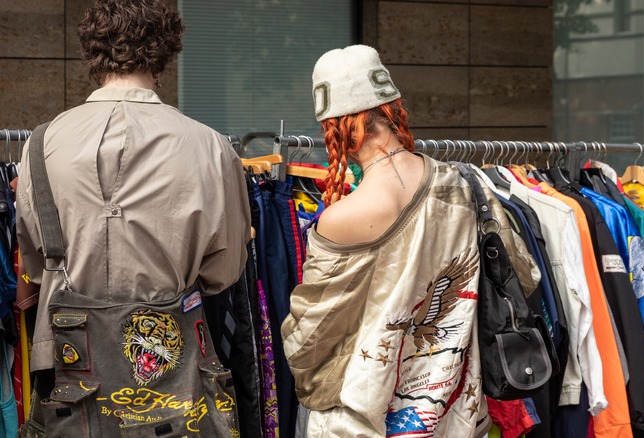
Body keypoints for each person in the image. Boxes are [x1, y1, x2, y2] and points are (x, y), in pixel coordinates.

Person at [15, 0, 251, 434]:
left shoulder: (41, 143)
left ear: (92, 52)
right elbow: (223, 272)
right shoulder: (211, 147)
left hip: (70, 371)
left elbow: (35, 261)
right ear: (164, 53)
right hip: (173, 375)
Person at [282, 45, 540, 437]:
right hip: (453, 417)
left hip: (361, 422)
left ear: (339, 128)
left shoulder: (342, 218)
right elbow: (523, 276)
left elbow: (309, 339)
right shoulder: (467, 186)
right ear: (392, 109)